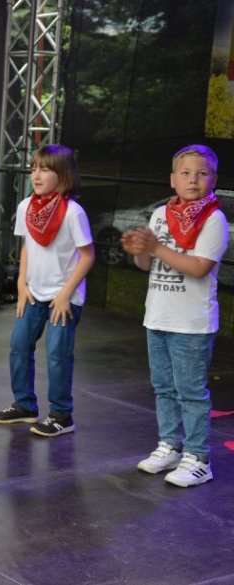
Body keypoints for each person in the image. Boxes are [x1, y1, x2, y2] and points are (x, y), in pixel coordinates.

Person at [122, 144, 228, 487]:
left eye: (202, 173)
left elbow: (199, 267)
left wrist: (155, 247)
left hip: (191, 323)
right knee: (163, 388)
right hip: (158, 317)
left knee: (191, 392)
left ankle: (198, 458)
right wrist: (140, 251)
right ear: (172, 179)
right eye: (185, 173)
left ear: (214, 179)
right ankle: (169, 445)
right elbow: (146, 265)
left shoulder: (214, 219)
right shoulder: (160, 215)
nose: (193, 179)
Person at [0, 144, 95, 437]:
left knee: (58, 353)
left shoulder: (73, 212)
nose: (36, 175)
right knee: (19, 345)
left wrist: (65, 295)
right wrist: (21, 283)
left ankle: (62, 414)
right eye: (34, 168)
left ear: (63, 175)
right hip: (34, 292)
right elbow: (27, 246)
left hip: (64, 296)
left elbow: (87, 256)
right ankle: (25, 406)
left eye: (45, 169)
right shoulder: (26, 206)